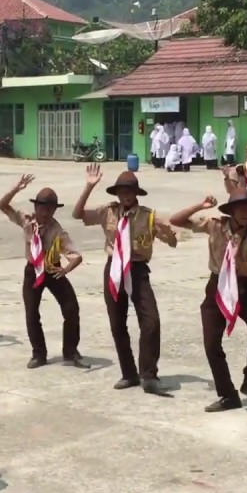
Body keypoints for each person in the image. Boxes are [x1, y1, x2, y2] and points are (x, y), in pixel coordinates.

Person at [72, 165, 180, 395]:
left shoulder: (149, 216)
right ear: (117, 194)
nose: (125, 196)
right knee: (117, 323)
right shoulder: (108, 212)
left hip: (138, 269)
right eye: (121, 192)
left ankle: (148, 375)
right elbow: (78, 214)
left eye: (129, 191)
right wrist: (89, 187)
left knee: (151, 321)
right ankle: (129, 373)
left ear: (136, 193)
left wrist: (169, 234)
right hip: (114, 268)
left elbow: (172, 241)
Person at [170, 189, 247, 412]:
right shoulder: (215, 225)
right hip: (216, 285)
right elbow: (175, 220)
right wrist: (201, 206)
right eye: (242, 208)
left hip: (244, 288)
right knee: (211, 343)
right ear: (232, 211)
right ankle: (227, 395)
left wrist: (242, 264)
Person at [0, 175, 86, 369]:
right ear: (35, 207)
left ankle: (70, 352)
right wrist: (16, 188)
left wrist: (65, 269)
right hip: (32, 270)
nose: (45, 212)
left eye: (49, 209)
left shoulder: (57, 231)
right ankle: (39, 354)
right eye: (42, 208)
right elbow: (3, 206)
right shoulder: (26, 220)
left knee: (71, 308)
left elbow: (76, 256)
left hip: (52, 269)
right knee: (31, 313)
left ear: (55, 210)